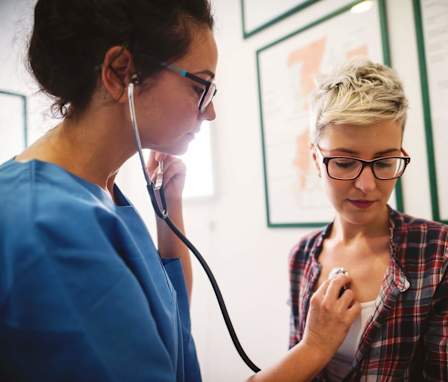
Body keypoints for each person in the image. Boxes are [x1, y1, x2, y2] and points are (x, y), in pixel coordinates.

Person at [0, 1, 361, 381]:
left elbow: (168, 318)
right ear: (121, 72)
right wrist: (315, 347)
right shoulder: (48, 226)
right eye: (199, 86)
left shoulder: (100, 191)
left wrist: (169, 208)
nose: (210, 112)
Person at [289, 59, 448, 381]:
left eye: (384, 161)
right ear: (316, 160)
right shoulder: (302, 257)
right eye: (345, 163)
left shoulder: (439, 253)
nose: (366, 185)